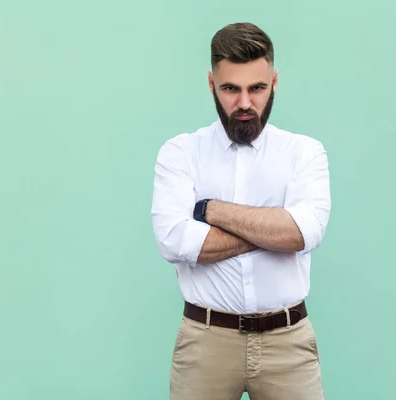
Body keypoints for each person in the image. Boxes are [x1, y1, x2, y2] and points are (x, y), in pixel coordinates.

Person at [151, 22, 331, 400]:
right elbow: (175, 241)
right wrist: (270, 228)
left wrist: (210, 210)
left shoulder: (304, 152)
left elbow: (303, 232)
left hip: (289, 344)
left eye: (257, 88)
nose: (245, 103)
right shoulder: (181, 152)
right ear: (211, 83)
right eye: (231, 88)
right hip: (205, 342)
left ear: (275, 82)